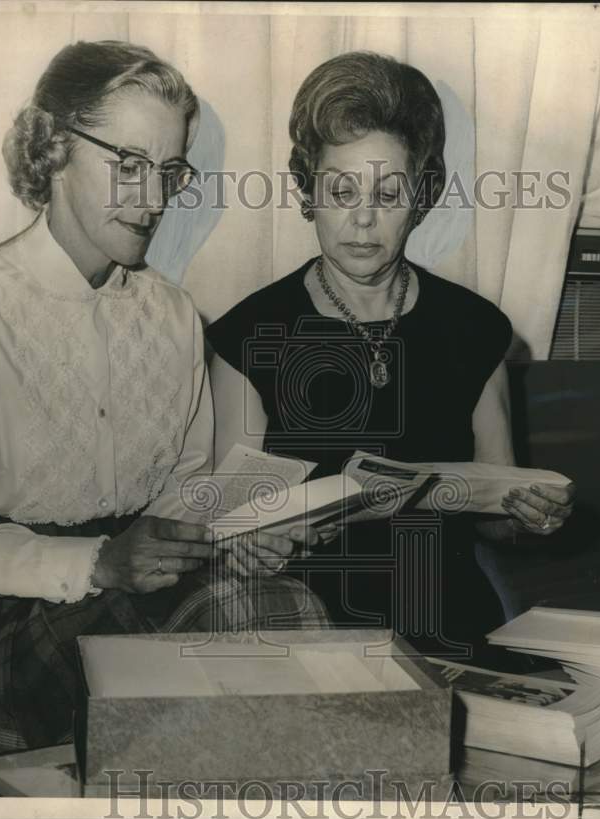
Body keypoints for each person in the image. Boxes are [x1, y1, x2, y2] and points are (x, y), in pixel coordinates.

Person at [0, 40, 327, 779]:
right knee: (254, 624)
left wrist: (237, 535)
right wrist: (99, 562)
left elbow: (185, 496)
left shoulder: (175, 316)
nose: (152, 199)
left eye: (168, 171)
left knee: (285, 609)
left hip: (149, 597)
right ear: (52, 147)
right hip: (4, 618)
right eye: (127, 164)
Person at [206, 52, 575, 658]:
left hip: (447, 617)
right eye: (342, 189)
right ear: (307, 190)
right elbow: (235, 520)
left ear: (421, 195)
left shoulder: (476, 328)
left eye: (388, 191)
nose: (364, 218)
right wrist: (247, 543)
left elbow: (495, 516)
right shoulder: (248, 335)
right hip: (303, 624)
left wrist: (528, 515)